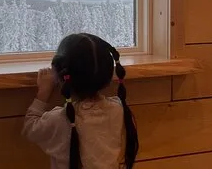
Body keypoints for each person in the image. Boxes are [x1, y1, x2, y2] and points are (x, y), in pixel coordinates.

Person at [22, 33, 139, 169]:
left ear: (61, 76)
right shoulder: (118, 109)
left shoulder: (61, 119)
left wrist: (44, 92)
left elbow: (31, 128)